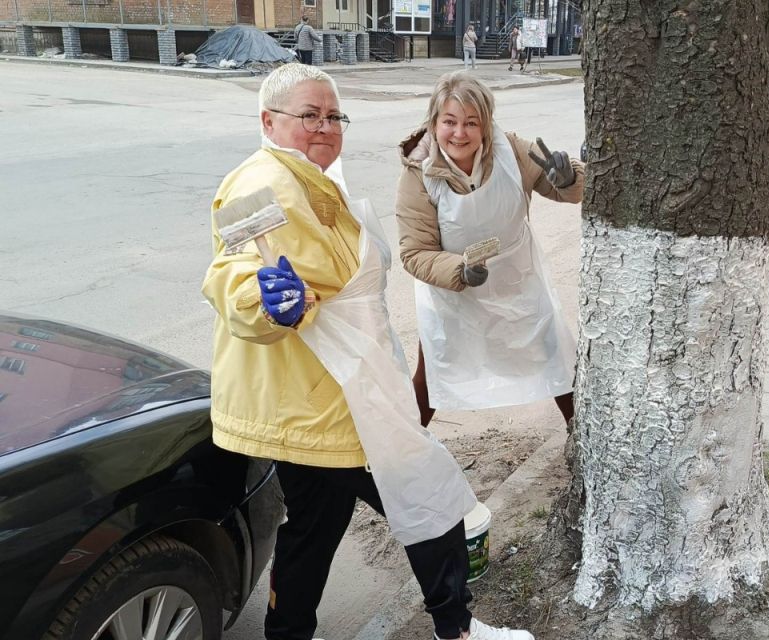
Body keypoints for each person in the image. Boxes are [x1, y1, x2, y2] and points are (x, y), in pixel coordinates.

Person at [202, 63, 533, 640]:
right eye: (309, 115)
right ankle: (456, 629)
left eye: (333, 116)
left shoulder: (313, 176)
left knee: (315, 528)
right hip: (324, 402)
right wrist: (262, 301)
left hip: (336, 392)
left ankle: (295, 634)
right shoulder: (262, 184)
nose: (325, 127)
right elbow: (233, 271)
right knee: (429, 496)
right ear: (268, 121)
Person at [395, 71, 584, 429]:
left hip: (520, 284)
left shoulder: (511, 150)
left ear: (486, 125)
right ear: (434, 123)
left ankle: (587, 438)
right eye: (449, 121)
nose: (459, 133)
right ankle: (401, 452)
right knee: (432, 374)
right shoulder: (418, 172)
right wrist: (459, 271)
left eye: (471, 122)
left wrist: (570, 177)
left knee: (558, 358)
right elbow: (415, 251)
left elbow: (563, 188)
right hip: (455, 292)